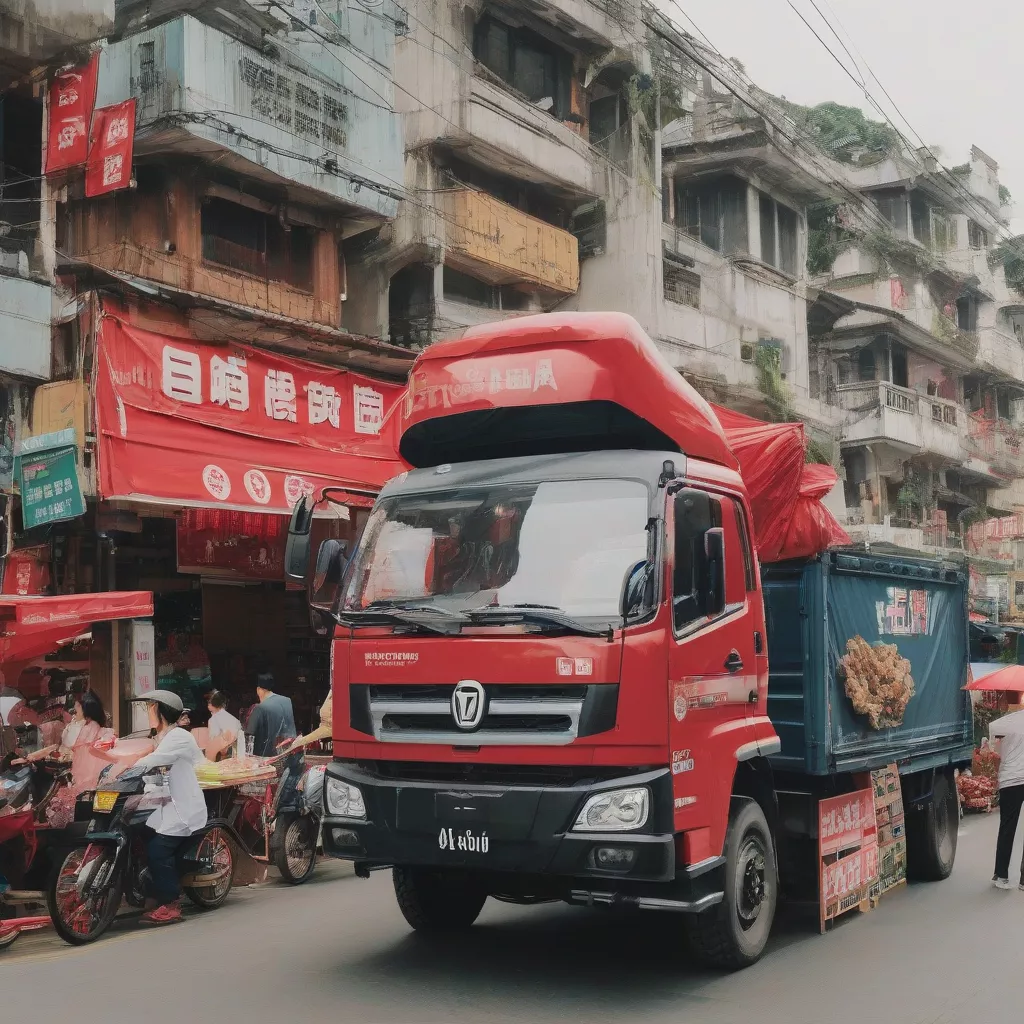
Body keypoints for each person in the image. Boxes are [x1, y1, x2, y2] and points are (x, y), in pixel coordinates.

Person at [129, 689, 208, 925]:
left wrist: (127, 769)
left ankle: (171, 904)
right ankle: (151, 893)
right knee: (140, 835)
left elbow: (153, 760)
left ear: (161, 711)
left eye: (150, 708)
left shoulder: (178, 737)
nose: (147, 713)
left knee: (158, 851)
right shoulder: (161, 736)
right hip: (164, 804)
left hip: (183, 808)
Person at [19, 690, 115, 828]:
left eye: (77, 708)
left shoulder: (89, 727)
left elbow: (75, 750)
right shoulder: (82, 725)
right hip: (70, 767)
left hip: (78, 772)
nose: (74, 711)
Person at [990, 708, 1024, 888]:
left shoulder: (1006, 723)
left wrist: (998, 775)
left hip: (1010, 780)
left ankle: (1001, 875)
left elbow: (995, 754)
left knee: (1007, 827)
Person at [245, 671, 297, 758]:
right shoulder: (287, 701)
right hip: (288, 755)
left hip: (267, 759)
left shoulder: (259, 708)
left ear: (258, 690)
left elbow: (249, 735)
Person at [205, 690, 242, 761]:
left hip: (222, 756)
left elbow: (213, 743)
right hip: (236, 755)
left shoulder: (213, 720)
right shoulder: (234, 719)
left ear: (211, 704)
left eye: (208, 702)